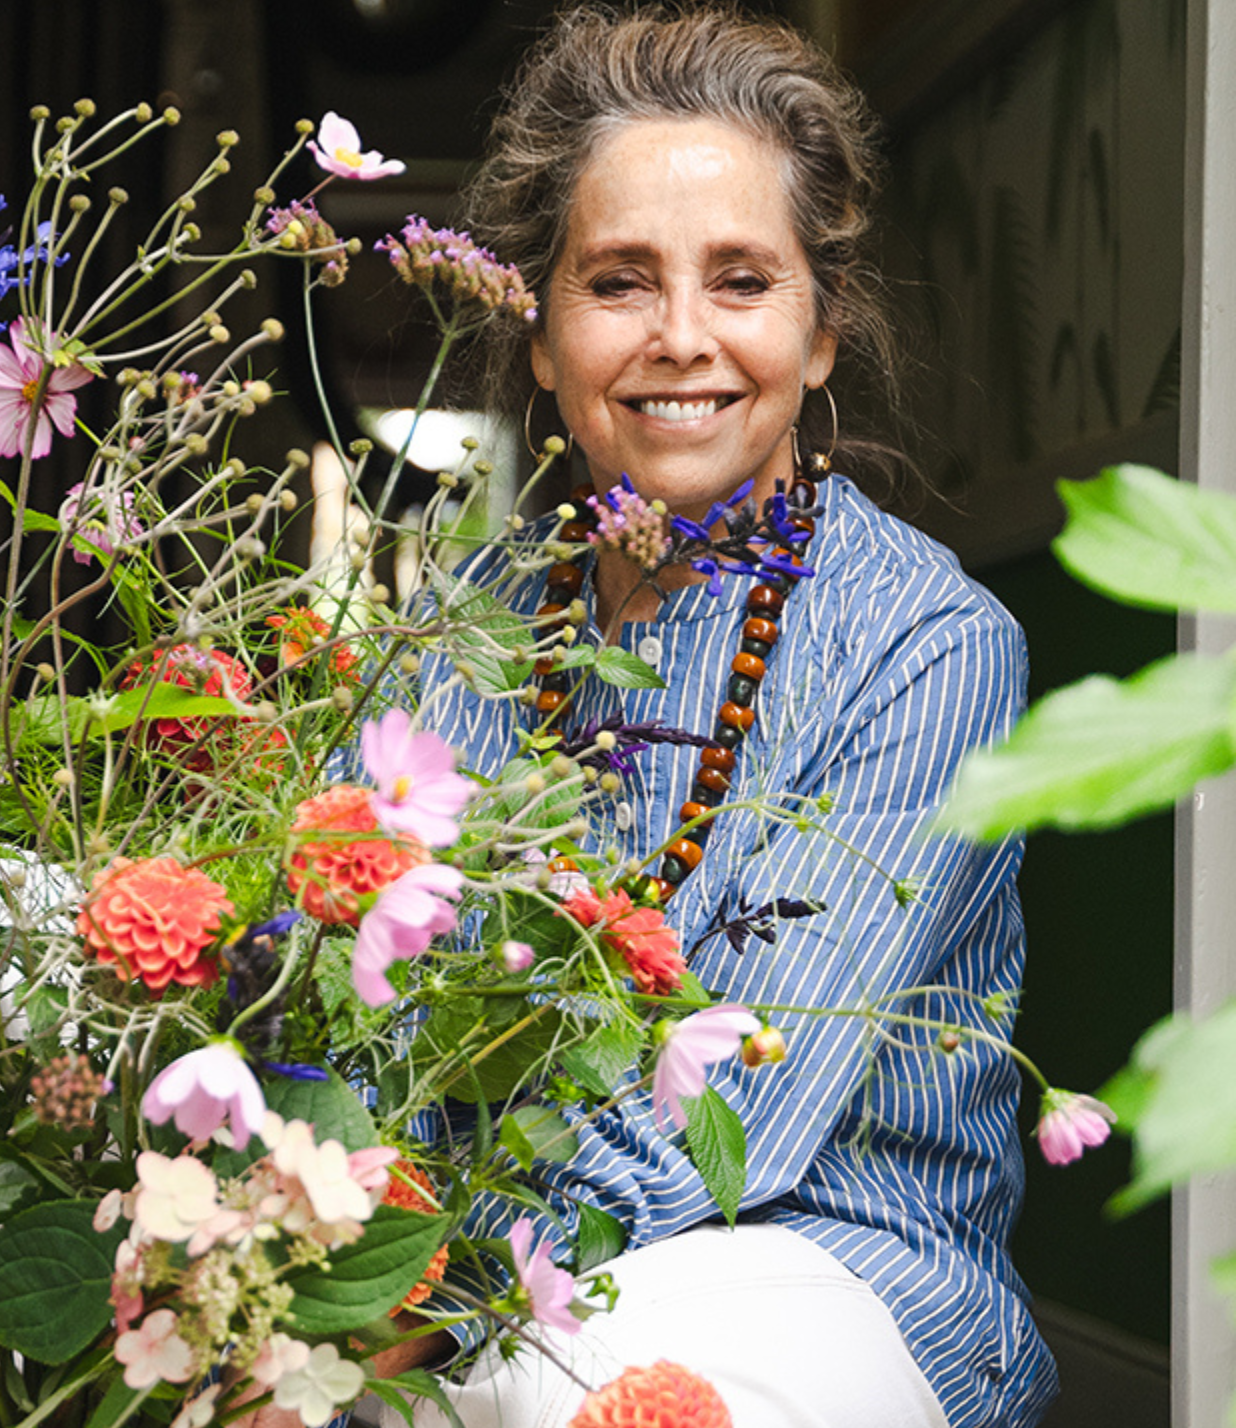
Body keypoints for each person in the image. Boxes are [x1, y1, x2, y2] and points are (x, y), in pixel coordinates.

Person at [245, 6, 1053, 1427]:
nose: (683, 338)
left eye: (741, 280)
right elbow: (336, 1019)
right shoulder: (464, 624)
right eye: (620, 282)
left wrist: (386, 1315)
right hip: (461, 1283)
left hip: (838, 1280)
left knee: (584, 1393)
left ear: (820, 332)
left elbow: (727, 1124)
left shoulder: (931, 648)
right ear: (545, 337)